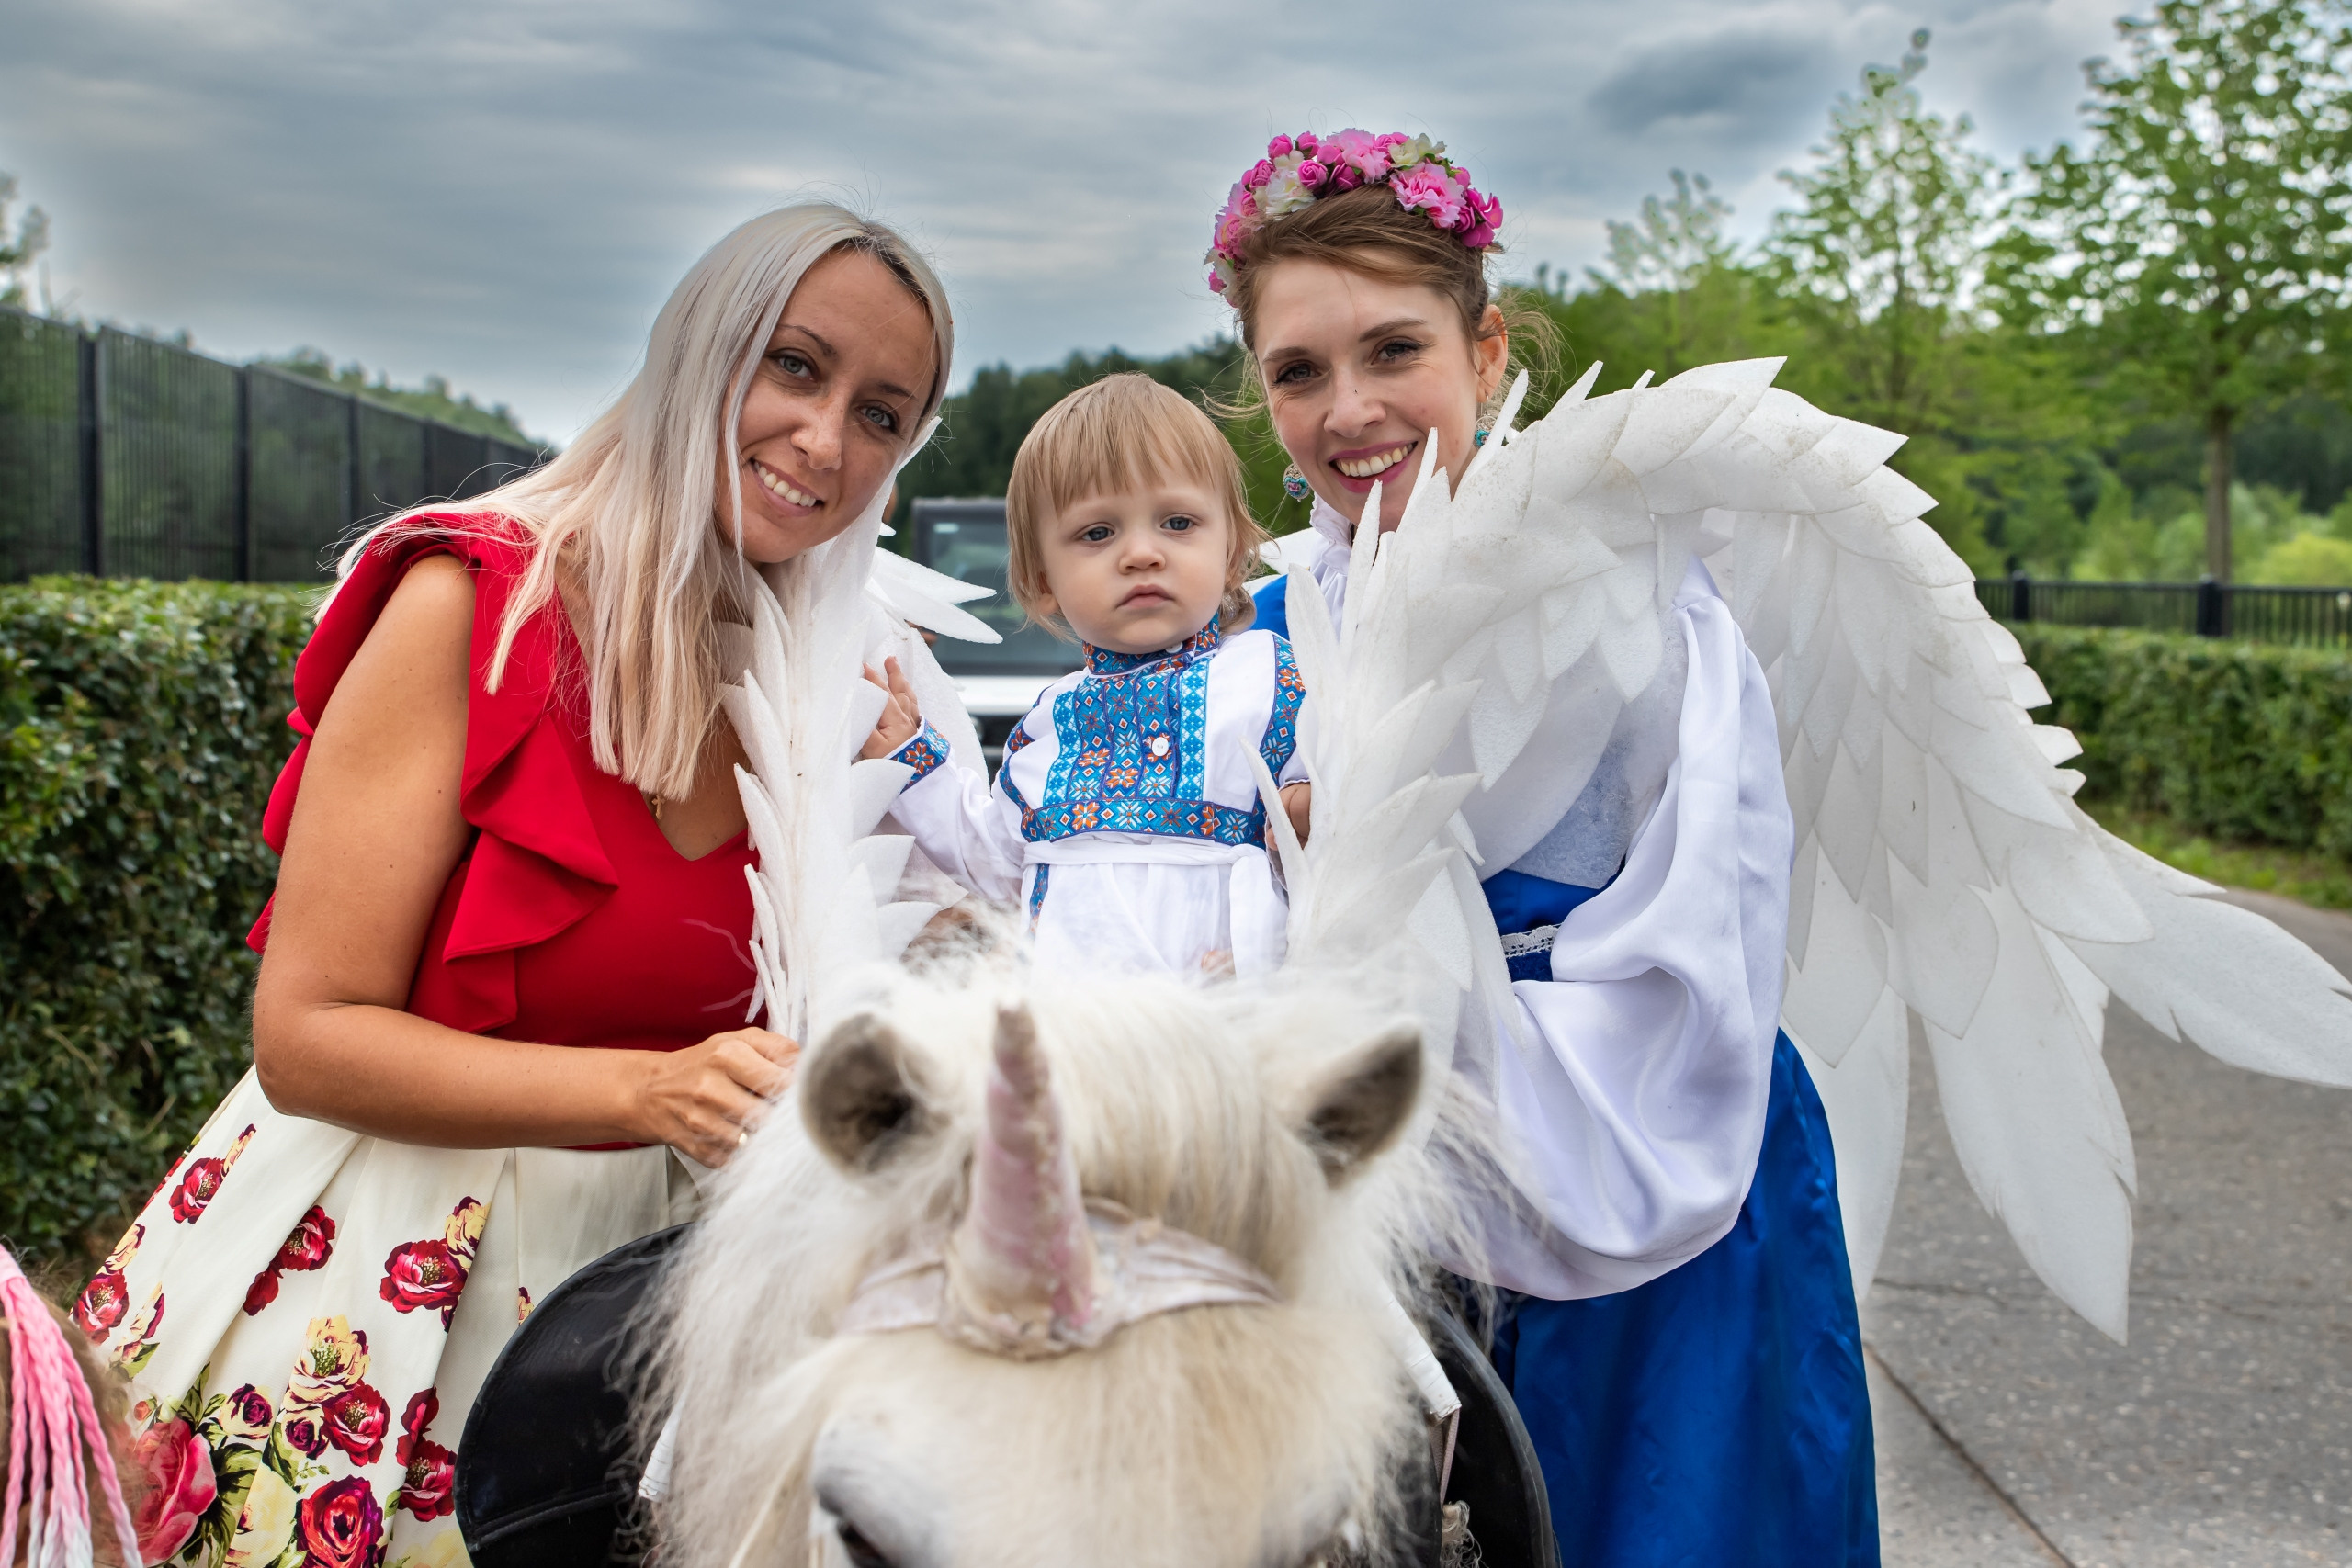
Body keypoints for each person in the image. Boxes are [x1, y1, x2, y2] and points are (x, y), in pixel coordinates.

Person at [73, 202, 955, 1568]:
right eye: (794, 365)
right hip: (384, 1307)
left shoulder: (826, 674)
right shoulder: (468, 603)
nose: (827, 440)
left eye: (882, 414)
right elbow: (306, 1036)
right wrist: (646, 1091)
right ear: (697, 350)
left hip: (673, 1323)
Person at [1216, 131, 1877, 1565]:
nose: (1351, 409)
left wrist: (1423, 1023)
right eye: (1299, 370)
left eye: (1395, 349)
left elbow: (1703, 916)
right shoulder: (1260, 631)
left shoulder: (1635, 601)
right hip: (1356, 1166)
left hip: (1633, 1152)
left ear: (1488, 348)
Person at [861, 373, 1312, 977]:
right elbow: (996, 859)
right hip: (1071, 1023)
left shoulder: (1274, 678)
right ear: (1043, 581)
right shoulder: (1049, 722)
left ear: (1232, 554)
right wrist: (912, 759)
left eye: (1178, 523)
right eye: (1098, 533)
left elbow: (1348, 820)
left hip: (1231, 1013)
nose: (1142, 553)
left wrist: (1314, 809)